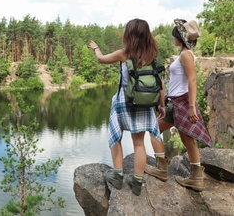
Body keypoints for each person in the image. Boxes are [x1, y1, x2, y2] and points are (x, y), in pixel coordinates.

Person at [88, 18, 165, 196]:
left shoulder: (124, 54)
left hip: (125, 102)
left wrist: (96, 48)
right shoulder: (152, 56)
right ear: (147, 35)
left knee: (116, 137)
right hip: (145, 103)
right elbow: (160, 84)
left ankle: (118, 175)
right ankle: (137, 182)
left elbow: (101, 59)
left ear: (128, 35)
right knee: (139, 143)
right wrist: (161, 105)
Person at [145, 18, 212, 192]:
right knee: (186, 139)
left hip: (181, 104)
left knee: (154, 130)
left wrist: (191, 107)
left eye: (175, 34)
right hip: (175, 102)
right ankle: (195, 178)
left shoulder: (185, 54)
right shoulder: (185, 54)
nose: (173, 36)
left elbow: (192, 79)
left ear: (180, 37)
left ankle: (162, 168)